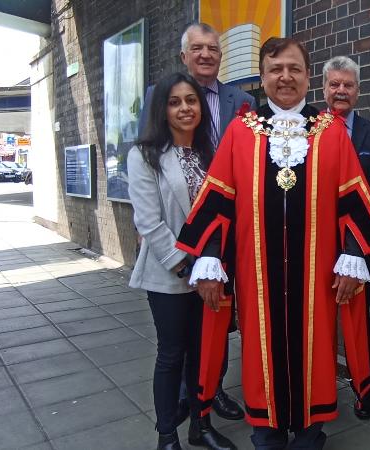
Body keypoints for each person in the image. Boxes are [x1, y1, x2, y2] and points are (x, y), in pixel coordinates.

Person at [177, 37, 370, 450]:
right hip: (258, 281)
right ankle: (267, 431)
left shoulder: (330, 132)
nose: (285, 77)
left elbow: (354, 199)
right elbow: (218, 200)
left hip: (317, 280)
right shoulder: (241, 132)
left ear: (308, 76)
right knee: (259, 355)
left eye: (294, 68)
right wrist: (210, 260)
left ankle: (311, 432)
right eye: (275, 69)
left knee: (317, 352)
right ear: (263, 77)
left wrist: (351, 256)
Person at [140, 22, 253, 423]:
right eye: (197, 48)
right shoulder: (159, 107)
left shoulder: (241, 100)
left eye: (213, 48)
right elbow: (149, 189)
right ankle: (181, 409)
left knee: (216, 330)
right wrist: (183, 260)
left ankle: (213, 391)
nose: (206, 54)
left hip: (225, 243)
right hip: (178, 255)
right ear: (183, 55)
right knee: (175, 347)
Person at [127, 73, 237, 450]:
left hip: (211, 273)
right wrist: (188, 268)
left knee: (202, 355)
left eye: (191, 100)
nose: (185, 108)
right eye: (175, 102)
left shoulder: (213, 152)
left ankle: (200, 426)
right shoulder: (145, 155)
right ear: (163, 110)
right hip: (170, 275)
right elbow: (149, 222)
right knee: (172, 355)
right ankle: (167, 435)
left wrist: (215, 266)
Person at [321, 55, 370, 421]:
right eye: (335, 84)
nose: (341, 90)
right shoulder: (308, 129)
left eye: (348, 85)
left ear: (358, 91)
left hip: (357, 246)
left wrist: (359, 250)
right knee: (318, 321)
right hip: (315, 246)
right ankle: (321, 386)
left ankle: (364, 390)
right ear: (325, 89)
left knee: (358, 321)